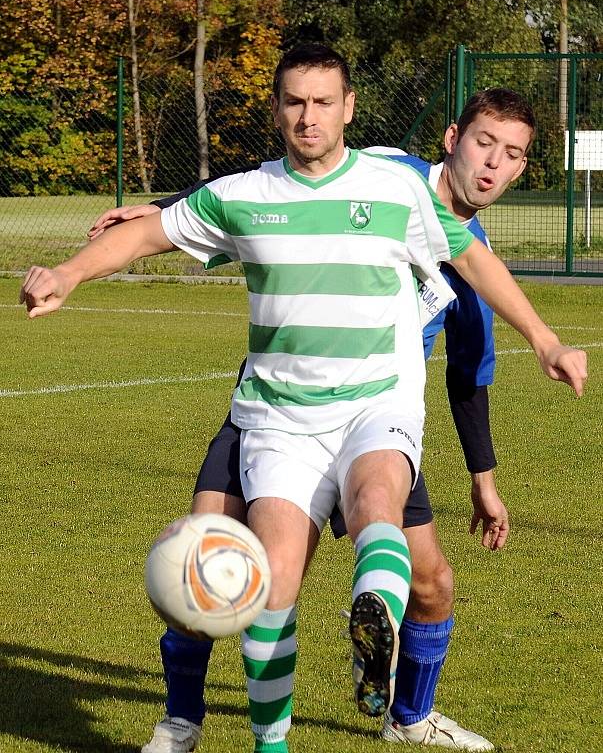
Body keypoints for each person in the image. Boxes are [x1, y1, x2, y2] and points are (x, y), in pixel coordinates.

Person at [21, 45, 587, 753]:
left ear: (348, 107)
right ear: (277, 109)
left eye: (324, 102)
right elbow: (155, 234)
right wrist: (71, 272)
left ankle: (376, 646)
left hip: (374, 402)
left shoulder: (394, 192)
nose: (308, 116)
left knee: (382, 509)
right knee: (271, 580)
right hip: (276, 413)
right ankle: (257, 738)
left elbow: (471, 262)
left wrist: (542, 341)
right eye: (294, 102)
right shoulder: (250, 194)